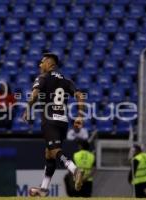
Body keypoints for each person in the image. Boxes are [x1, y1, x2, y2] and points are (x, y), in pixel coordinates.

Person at [22, 53, 85, 197]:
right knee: (49, 153)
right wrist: (80, 116)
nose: (40, 65)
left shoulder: (43, 78)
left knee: (55, 151)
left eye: (42, 62)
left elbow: (35, 94)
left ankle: (74, 169)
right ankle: (43, 188)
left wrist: (27, 109)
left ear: (50, 64)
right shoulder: (67, 81)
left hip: (49, 120)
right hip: (63, 122)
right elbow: (80, 96)